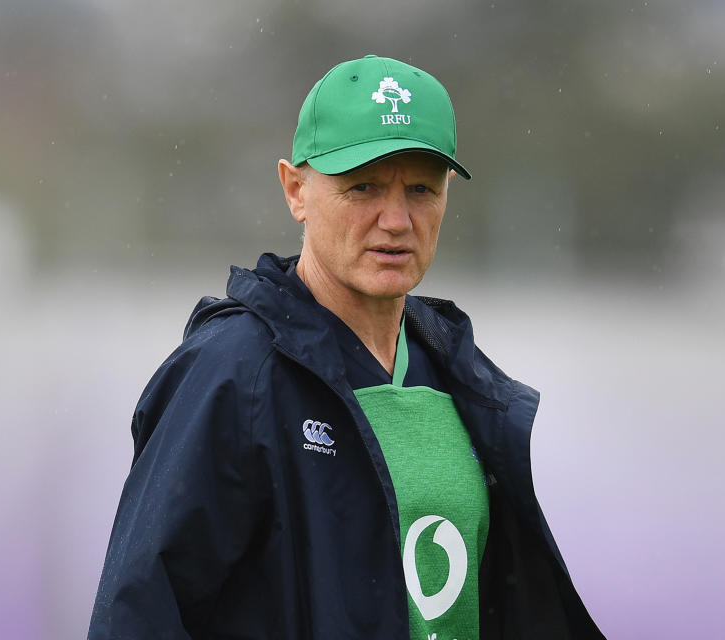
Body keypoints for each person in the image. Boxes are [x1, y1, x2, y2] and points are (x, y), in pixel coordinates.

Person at [88, 54, 605, 639]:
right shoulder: (231, 372)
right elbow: (138, 618)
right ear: (295, 189)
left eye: (420, 189)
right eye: (362, 186)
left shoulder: (457, 371)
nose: (396, 219)